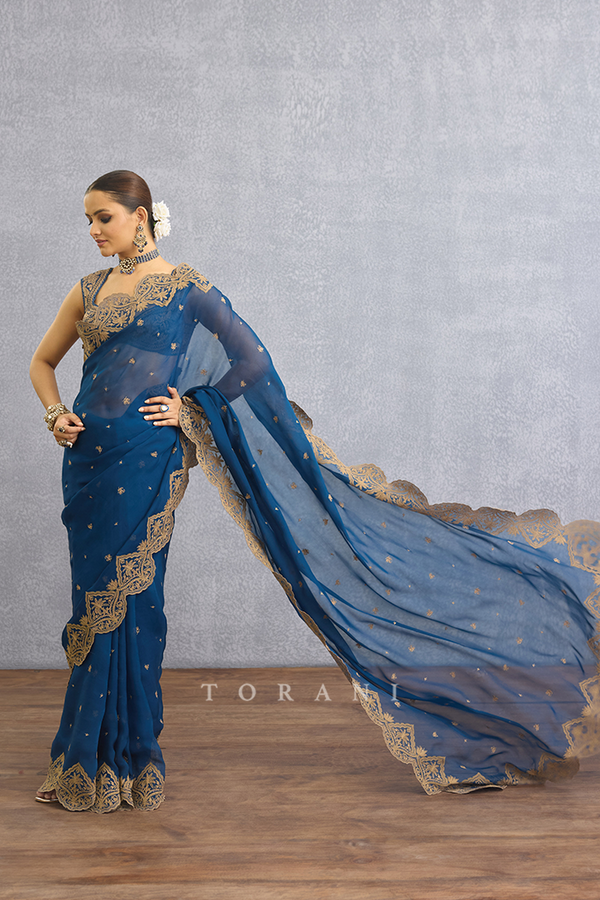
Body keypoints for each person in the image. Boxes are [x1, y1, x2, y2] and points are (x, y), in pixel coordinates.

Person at [30, 170, 600, 812]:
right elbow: (42, 363)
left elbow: (252, 363)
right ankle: (80, 760)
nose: (93, 230)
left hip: (144, 463)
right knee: (89, 607)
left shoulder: (187, 289)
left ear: (140, 217)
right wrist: (56, 413)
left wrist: (191, 408)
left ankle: (127, 760)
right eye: (88, 220)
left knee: (135, 602)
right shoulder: (87, 291)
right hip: (87, 466)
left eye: (103, 217)